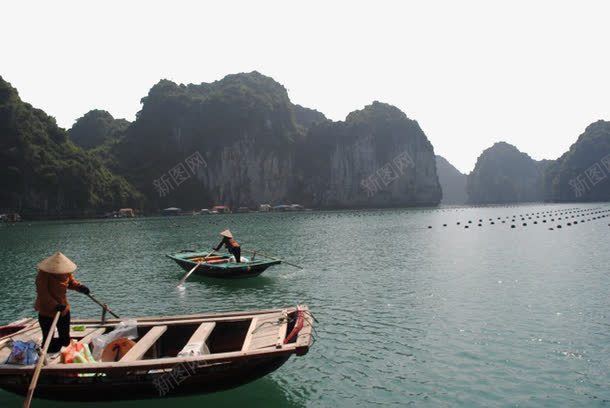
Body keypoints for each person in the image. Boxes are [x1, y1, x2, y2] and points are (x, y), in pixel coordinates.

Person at [34, 252, 90, 353]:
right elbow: (42, 293)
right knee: (48, 339)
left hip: (63, 309)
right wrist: (54, 305)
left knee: (65, 337)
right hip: (47, 311)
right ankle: (46, 360)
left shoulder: (65, 271)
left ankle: (65, 357)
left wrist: (80, 287)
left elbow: (71, 282)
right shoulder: (43, 275)